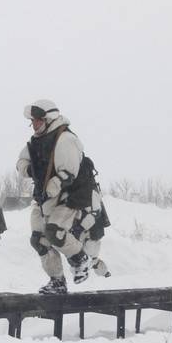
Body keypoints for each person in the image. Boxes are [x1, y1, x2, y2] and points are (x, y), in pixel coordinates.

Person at [16, 99, 110, 295]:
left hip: (71, 196)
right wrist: (27, 168)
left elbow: (68, 172)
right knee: (39, 240)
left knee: (55, 232)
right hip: (46, 197)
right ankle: (57, 281)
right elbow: (22, 160)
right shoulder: (37, 140)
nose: (34, 125)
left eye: (38, 120)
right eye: (32, 121)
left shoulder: (65, 138)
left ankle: (80, 259)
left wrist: (56, 183)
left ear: (49, 119)